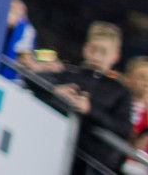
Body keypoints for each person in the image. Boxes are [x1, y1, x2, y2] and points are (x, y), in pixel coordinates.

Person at [44, 21, 134, 175]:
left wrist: (90, 110)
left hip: (91, 165)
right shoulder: (68, 74)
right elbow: (31, 82)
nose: (97, 56)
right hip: (51, 152)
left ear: (115, 55)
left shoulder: (121, 92)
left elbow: (123, 128)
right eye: (94, 49)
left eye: (103, 52)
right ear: (85, 49)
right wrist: (54, 89)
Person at [0, 0, 37, 81]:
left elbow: (25, 60)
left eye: (15, 11)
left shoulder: (25, 30)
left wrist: (42, 67)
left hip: (8, 80)